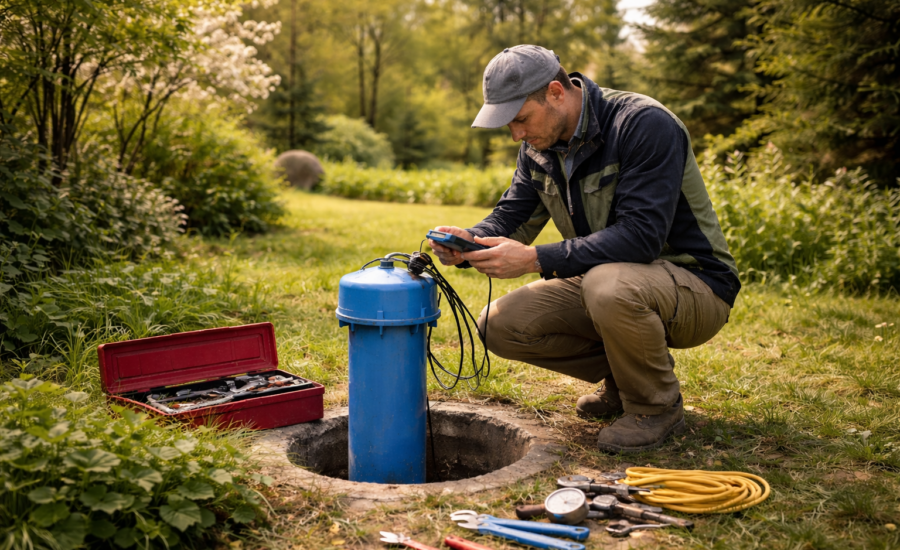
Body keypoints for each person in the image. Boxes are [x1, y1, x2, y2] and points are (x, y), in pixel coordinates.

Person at [428, 45, 740, 454]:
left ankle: (654, 407)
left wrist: (536, 259)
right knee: (499, 324)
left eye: (520, 119)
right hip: (608, 280)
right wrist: (469, 241)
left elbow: (641, 237)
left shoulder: (644, 123)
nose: (516, 135)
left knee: (607, 285)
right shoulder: (540, 145)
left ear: (556, 92)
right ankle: (627, 381)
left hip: (696, 284)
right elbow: (512, 217)